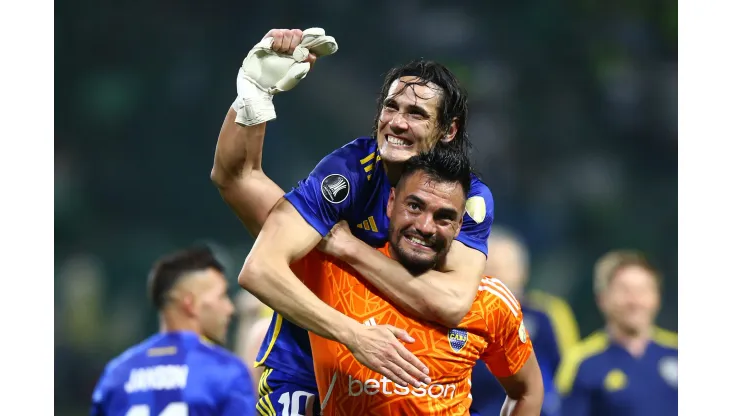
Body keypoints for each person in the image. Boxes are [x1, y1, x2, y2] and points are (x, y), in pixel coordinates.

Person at [211, 28, 495, 414]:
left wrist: (348, 248)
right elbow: (258, 263)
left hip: (398, 382)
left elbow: (450, 303)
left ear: (448, 130)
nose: (397, 122)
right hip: (306, 376)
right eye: (391, 107)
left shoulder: (464, 197)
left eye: (416, 114)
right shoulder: (347, 174)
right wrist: (254, 98)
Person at [90, 247, 256, 416]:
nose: (230, 308)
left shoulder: (116, 373)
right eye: (222, 296)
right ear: (190, 304)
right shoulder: (226, 371)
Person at [469, 226, 580, 416]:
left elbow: (569, 377)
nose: (498, 274)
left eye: (506, 267)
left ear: (523, 271)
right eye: (490, 267)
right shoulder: (458, 316)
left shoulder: (548, 314)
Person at [555, 250, 677, 416]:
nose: (635, 301)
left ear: (657, 298)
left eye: (643, 290)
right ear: (603, 298)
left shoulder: (677, 351)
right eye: (624, 291)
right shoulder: (582, 362)